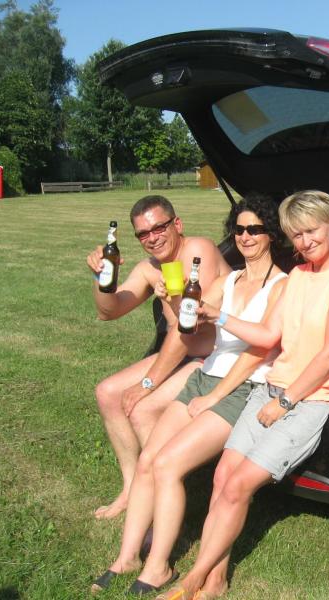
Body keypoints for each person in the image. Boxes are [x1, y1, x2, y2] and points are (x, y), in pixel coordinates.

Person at [157, 190, 329, 600]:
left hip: (307, 400)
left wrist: (285, 401)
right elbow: (269, 335)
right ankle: (215, 580)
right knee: (222, 479)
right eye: (296, 234)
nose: (305, 241)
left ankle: (192, 579)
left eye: (311, 230)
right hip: (269, 390)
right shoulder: (299, 276)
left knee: (239, 486)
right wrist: (218, 315)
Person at [91, 195, 287, 594]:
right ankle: (127, 555)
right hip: (205, 371)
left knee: (163, 458)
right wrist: (110, 281)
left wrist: (152, 383)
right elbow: (172, 319)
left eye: (254, 229)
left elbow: (256, 342)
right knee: (148, 455)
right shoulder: (226, 281)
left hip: (230, 379)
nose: (245, 237)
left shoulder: (275, 283)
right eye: (239, 230)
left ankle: (158, 563)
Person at [86, 195, 231, 519]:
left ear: (177, 224)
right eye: (143, 233)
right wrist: (101, 278)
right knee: (107, 392)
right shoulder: (149, 269)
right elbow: (109, 311)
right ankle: (131, 487)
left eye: (159, 228)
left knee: (143, 409)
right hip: (184, 355)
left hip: (213, 357)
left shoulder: (198, 251)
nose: (152, 238)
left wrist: (147, 384)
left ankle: (158, 495)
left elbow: (188, 327)